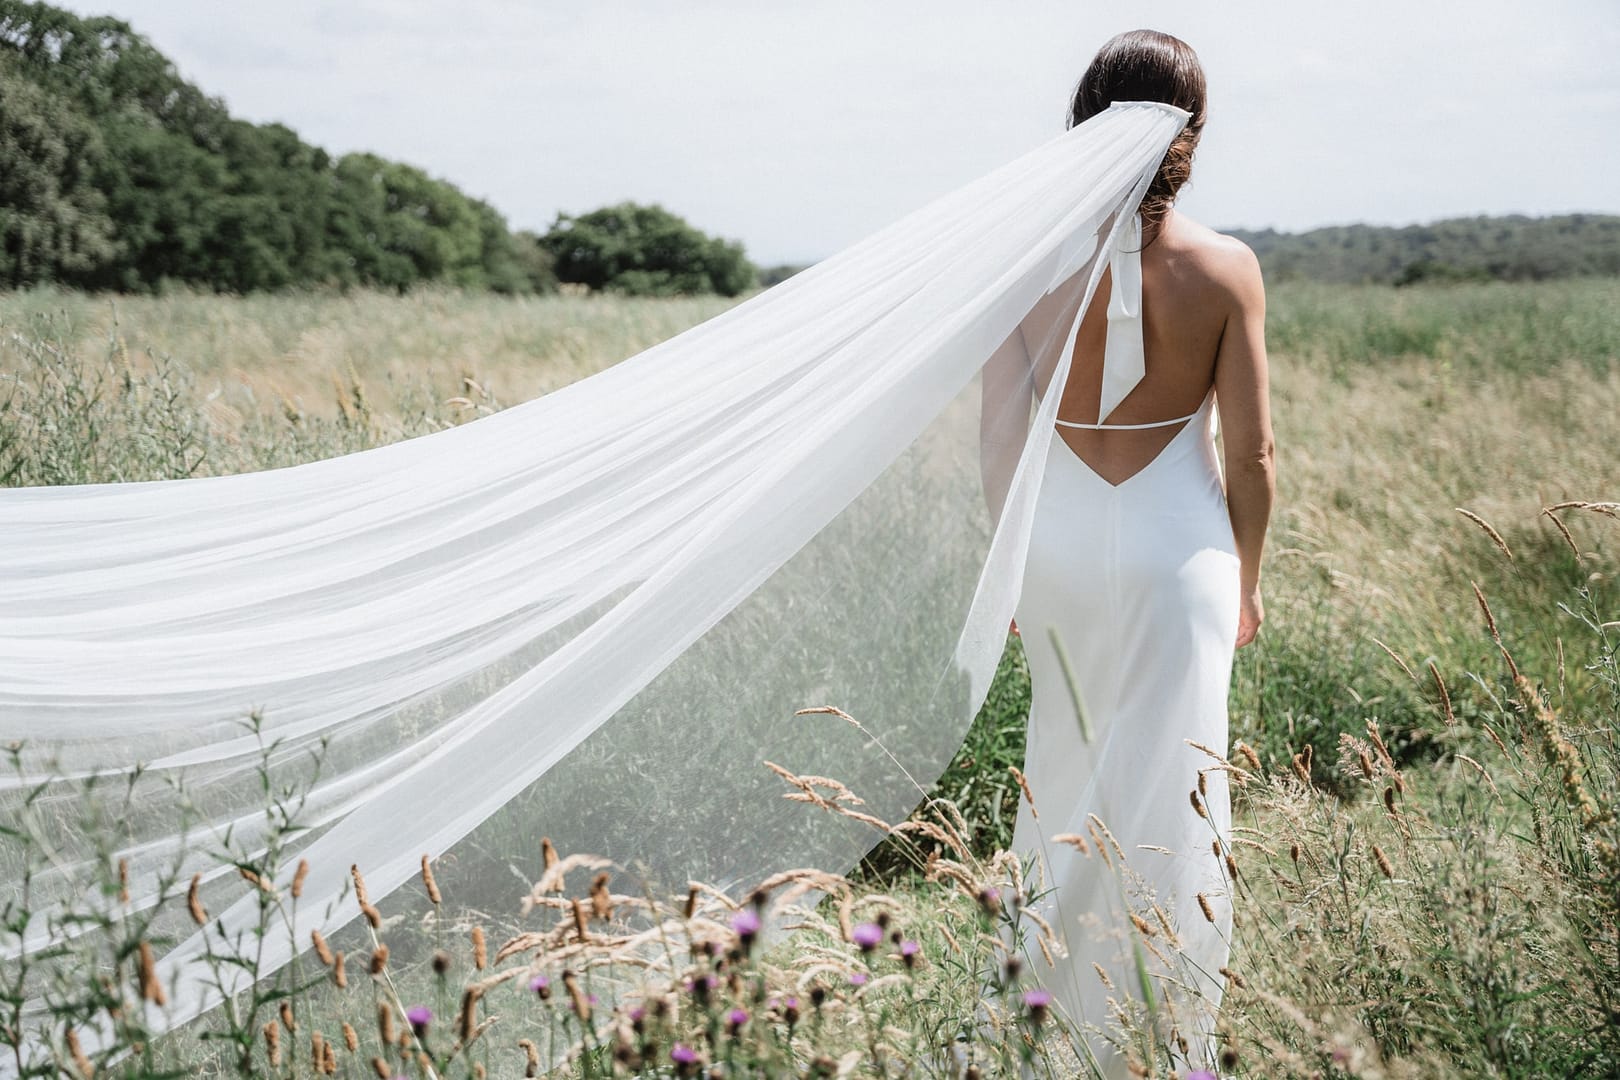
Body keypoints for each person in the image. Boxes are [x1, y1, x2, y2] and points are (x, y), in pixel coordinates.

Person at [979, 29, 1274, 1078]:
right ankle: (1163, 1035)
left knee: (1061, 773)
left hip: (1053, 547)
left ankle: (1039, 1028)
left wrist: (1008, 570)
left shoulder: (1021, 266)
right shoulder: (1227, 269)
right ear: (1191, 136)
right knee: (1178, 791)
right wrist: (1245, 576)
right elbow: (1253, 454)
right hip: (1179, 552)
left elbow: (1002, 440)